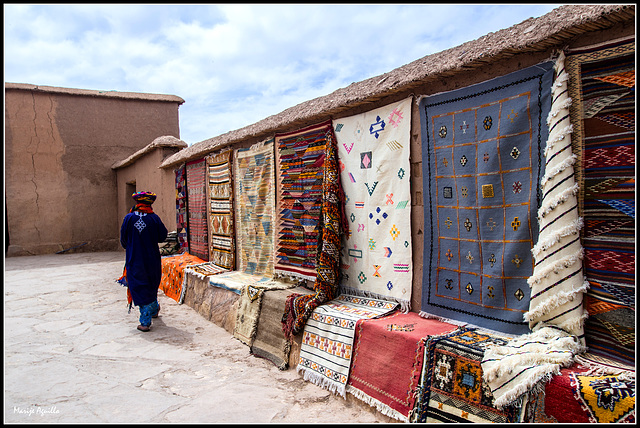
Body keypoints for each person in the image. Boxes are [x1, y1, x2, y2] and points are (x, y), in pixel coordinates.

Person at [119, 191, 168, 332]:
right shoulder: (154, 219)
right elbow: (162, 237)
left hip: (135, 258)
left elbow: (123, 239)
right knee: (150, 283)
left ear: (137, 203)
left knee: (139, 285)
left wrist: (130, 246)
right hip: (151, 258)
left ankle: (145, 321)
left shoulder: (129, 218)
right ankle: (153, 308)